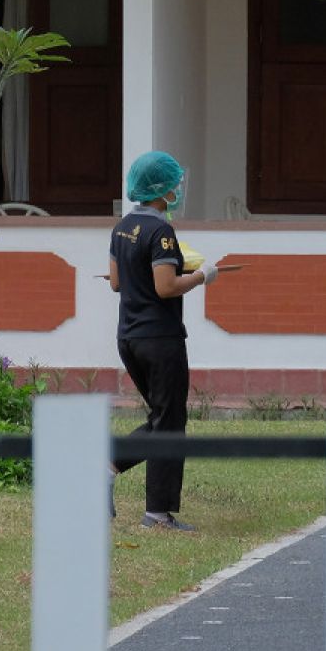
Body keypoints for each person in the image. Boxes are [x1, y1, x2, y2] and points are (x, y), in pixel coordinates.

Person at [107, 151, 218, 532]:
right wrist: (203, 276)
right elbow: (166, 286)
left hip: (129, 338)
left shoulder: (122, 227)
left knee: (161, 417)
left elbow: (118, 281)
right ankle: (157, 513)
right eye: (174, 184)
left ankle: (106, 466)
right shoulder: (161, 232)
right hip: (160, 338)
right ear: (161, 189)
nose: (178, 190)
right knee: (169, 423)